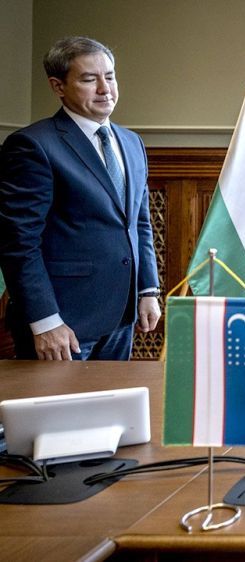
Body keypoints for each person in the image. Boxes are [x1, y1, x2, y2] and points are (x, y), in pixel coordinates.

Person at [0, 36, 159, 361]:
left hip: (122, 320)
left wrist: (147, 289)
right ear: (58, 86)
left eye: (110, 76)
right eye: (89, 79)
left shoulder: (132, 142)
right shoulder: (32, 145)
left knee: (114, 398)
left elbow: (140, 224)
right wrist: (45, 321)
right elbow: (18, 242)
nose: (105, 89)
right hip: (61, 326)